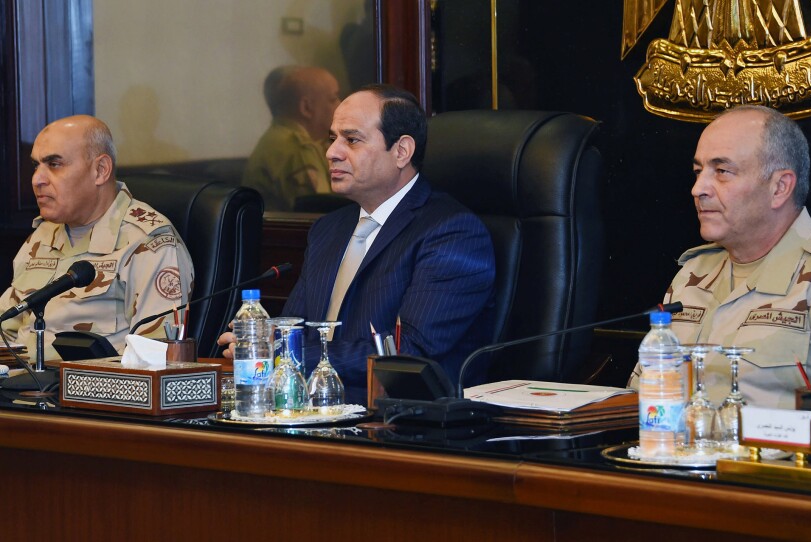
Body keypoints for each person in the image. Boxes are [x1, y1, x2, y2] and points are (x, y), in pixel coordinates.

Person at [222, 84, 496, 405]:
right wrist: (262, 342)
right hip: (313, 410)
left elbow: (408, 352)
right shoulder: (328, 229)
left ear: (401, 151)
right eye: (332, 138)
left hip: (398, 423)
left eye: (351, 140)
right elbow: (295, 330)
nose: (331, 152)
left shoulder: (452, 233)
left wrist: (278, 349)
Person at [629, 105, 811, 409]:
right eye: (698, 171)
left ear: (780, 187)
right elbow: (639, 401)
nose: (698, 189)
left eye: (722, 172)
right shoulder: (691, 274)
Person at [0, 115, 195, 360]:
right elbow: (5, 325)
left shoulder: (148, 243)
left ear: (100, 170)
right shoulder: (42, 236)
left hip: (93, 393)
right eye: (36, 165)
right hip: (20, 388)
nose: (37, 179)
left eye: (54, 164)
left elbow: (157, 358)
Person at [242, 65, 341, 211]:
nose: (340, 105)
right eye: (333, 99)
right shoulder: (296, 149)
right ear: (306, 108)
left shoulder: (277, 140)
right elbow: (323, 215)